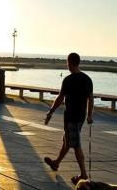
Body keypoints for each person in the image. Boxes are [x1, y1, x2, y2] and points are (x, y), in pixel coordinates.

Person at [44, 52, 94, 184]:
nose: (67, 65)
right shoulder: (87, 79)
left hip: (71, 117)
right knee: (67, 140)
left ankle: (83, 174)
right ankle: (56, 163)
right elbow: (90, 98)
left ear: (70, 63)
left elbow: (60, 98)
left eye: (67, 63)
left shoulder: (68, 80)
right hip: (81, 117)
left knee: (75, 144)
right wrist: (89, 115)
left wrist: (50, 112)